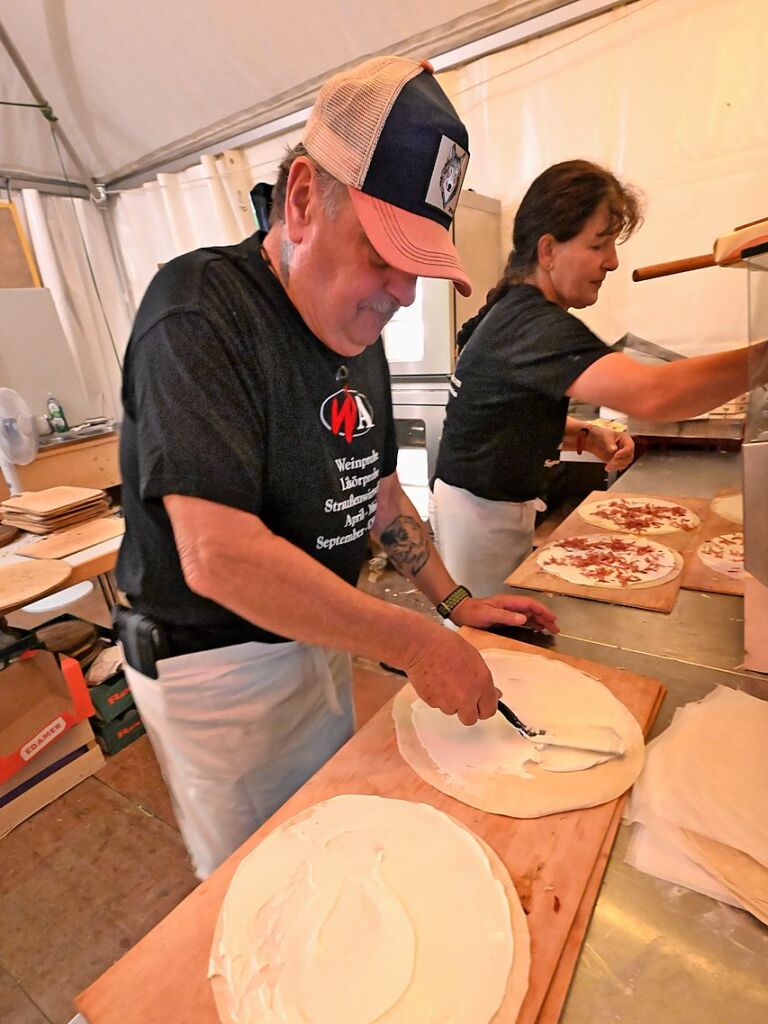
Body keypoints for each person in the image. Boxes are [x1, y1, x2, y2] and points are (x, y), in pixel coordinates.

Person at [115, 55, 557, 880]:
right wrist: (415, 642)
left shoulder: (358, 334)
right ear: (304, 198)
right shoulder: (200, 310)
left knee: (328, 840)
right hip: (218, 672)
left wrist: (455, 603)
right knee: (264, 879)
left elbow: (379, 491)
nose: (401, 293)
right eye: (381, 254)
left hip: (316, 630)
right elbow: (219, 554)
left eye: (415, 267)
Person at [431, 158, 766, 597]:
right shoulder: (530, 323)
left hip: (484, 510)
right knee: (485, 644)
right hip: (480, 520)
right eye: (598, 245)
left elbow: (502, 416)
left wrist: (585, 435)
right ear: (548, 250)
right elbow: (654, 396)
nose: (611, 262)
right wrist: (763, 359)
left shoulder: (513, 308)